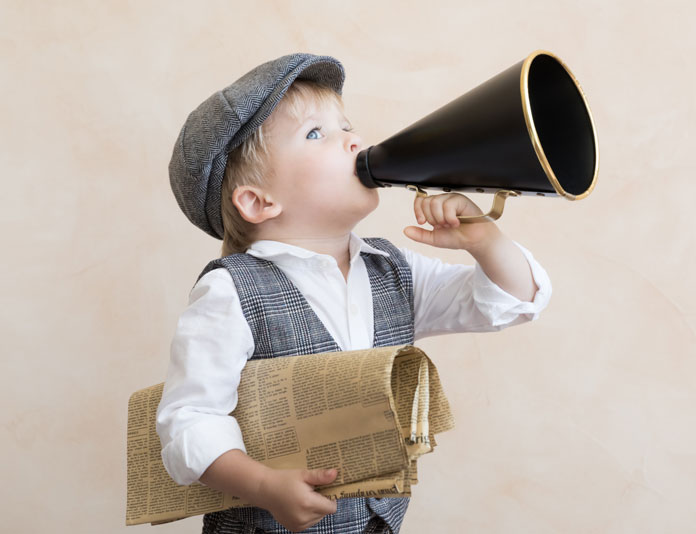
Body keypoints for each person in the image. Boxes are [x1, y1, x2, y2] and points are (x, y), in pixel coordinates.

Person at [157, 53, 552, 534]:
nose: (355, 140)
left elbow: (510, 302)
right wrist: (262, 485)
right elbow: (189, 419)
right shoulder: (230, 290)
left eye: (346, 125)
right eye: (316, 134)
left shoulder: (393, 270)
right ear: (259, 201)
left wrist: (484, 239)